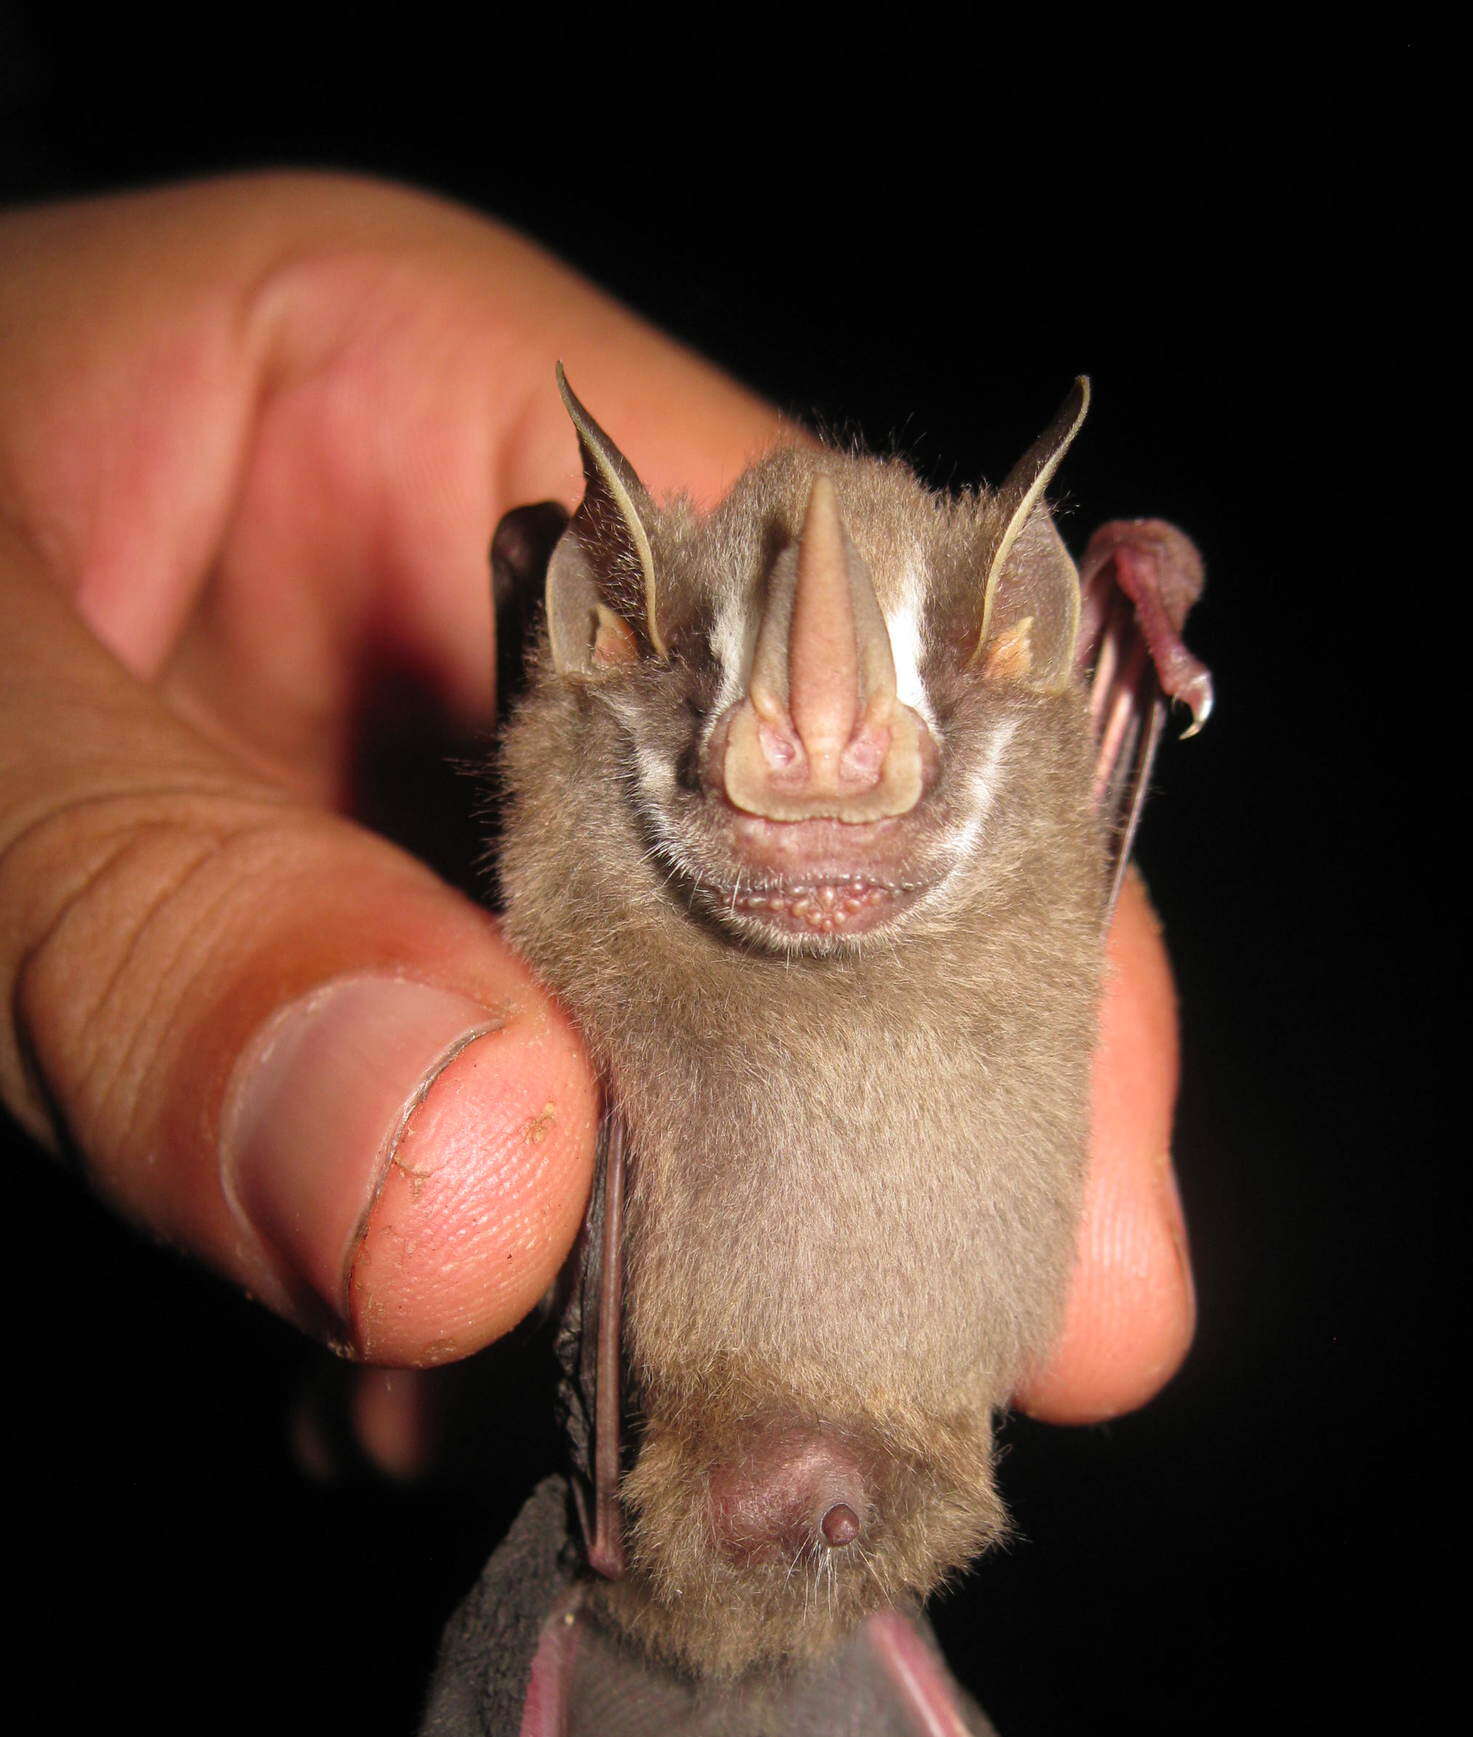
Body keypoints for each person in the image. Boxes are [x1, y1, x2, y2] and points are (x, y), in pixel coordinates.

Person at [0, 172, 1194, 1469]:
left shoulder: (1029, 810)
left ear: (1027, 636)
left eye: (886, 760)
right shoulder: (599, 836)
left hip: (908, 1399)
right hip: (684, 1429)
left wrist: (1137, 610)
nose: (818, 821)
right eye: (740, 759)